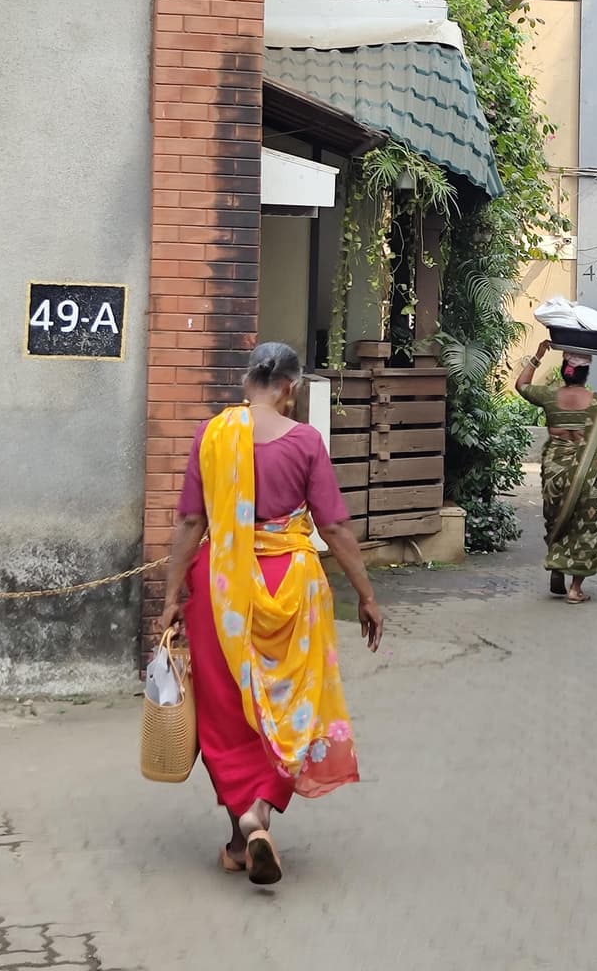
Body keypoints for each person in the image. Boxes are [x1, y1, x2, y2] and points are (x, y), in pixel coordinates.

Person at [159, 342, 384, 886]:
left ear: (247, 382)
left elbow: (191, 524)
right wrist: (367, 596)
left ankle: (243, 829)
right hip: (292, 587)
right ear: (290, 387)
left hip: (222, 593)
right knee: (287, 711)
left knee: (227, 715)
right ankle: (255, 820)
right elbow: (333, 528)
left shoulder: (212, 437)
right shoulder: (305, 441)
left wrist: (170, 597)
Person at [517, 340, 597, 603]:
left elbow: (521, 386)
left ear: (564, 370)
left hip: (555, 473)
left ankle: (557, 565)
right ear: (586, 374)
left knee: (557, 519)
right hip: (588, 478)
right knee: (588, 526)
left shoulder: (549, 396)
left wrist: (537, 356)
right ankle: (575, 588)